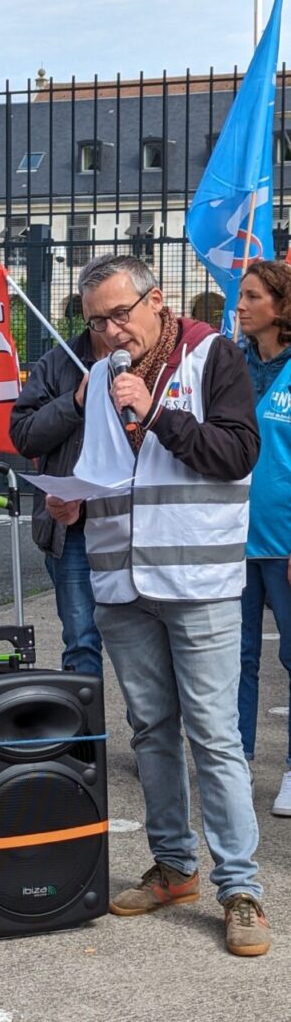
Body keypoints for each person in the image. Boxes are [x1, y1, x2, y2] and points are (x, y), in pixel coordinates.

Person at [50, 254, 269, 956]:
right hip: (121, 582)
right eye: (96, 322)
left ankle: (241, 888)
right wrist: (74, 500)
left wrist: (156, 415)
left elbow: (237, 453)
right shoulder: (99, 376)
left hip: (198, 582)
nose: (111, 332)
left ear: (157, 300)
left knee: (215, 736)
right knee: (150, 731)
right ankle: (175, 866)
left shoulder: (212, 355)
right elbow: (108, 471)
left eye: (120, 314)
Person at [9, 325, 107, 679]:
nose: (113, 326)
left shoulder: (152, 361)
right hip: (73, 530)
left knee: (143, 642)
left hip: (135, 527)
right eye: (101, 317)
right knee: (81, 640)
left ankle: (145, 719)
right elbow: (24, 435)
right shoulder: (57, 363)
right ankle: (86, 718)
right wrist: (75, 402)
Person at [235, 261, 291, 815]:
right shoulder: (233, 364)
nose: (241, 305)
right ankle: (238, 762)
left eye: (253, 296)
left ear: (281, 305)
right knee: (237, 658)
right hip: (233, 541)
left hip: (285, 544)